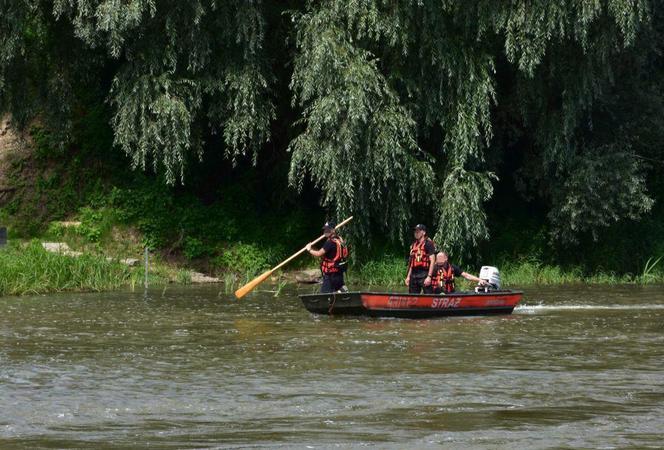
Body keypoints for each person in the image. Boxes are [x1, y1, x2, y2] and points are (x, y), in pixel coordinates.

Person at [306, 221, 349, 293]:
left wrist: (309, 249)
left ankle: (340, 293)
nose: (325, 232)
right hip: (339, 272)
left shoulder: (330, 243)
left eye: (328, 230)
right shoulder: (339, 239)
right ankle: (342, 291)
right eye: (325, 230)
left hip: (331, 275)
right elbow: (329, 253)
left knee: (324, 295)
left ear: (333, 230)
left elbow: (319, 253)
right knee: (338, 290)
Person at [405, 224, 436, 294]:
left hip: (424, 273)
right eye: (415, 231)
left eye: (418, 231)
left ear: (424, 233)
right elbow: (412, 263)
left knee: (428, 295)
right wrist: (408, 277)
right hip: (414, 274)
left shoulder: (428, 244)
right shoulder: (413, 245)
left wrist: (429, 276)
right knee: (412, 297)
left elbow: (433, 260)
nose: (416, 233)